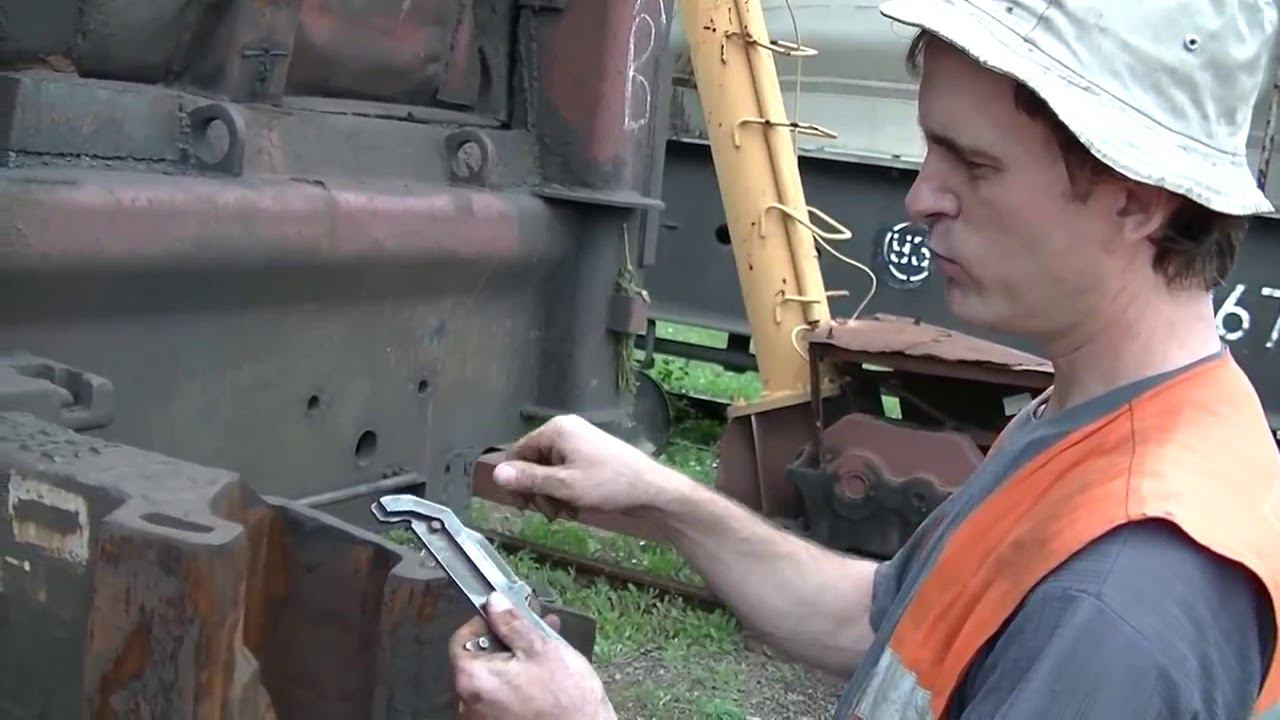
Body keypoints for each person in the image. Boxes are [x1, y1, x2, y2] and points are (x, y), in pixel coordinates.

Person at [449, 0, 1280, 717]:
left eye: (975, 165)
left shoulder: (1122, 597)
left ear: (1135, 200)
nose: (921, 198)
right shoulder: (1104, 420)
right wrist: (664, 499)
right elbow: (881, 620)